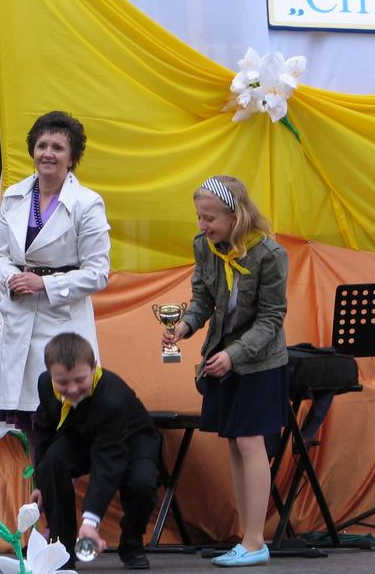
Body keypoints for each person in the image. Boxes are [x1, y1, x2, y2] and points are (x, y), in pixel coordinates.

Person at [162, 175, 288, 567]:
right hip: (223, 358)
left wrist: (235, 355)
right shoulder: (204, 246)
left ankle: (255, 541)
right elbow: (203, 298)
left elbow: (271, 318)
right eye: (199, 217)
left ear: (236, 216)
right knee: (234, 442)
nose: (202, 225)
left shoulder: (270, 254)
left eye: (210, 218)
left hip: (259, 361)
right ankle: (246, 536)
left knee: (250, 441)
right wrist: (185, 326)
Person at [0, 111, 111, 436]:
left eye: (58, 147)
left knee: (64, 422)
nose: (48, 153)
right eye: (42, 145)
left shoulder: (87, 204)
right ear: (33, 151)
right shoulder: (13, 197)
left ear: (72, 158)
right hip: (20, 319)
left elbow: (98, 273)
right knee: (29, 426)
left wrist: (44, 283)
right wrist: (10, 278)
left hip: (63, 325)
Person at [30, 332, 160, 570]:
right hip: (81, 435)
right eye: (63, 382)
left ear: (94, 367)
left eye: (80, 380)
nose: (72, 388)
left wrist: (91, 521)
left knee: (141, 484)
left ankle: (131, 543)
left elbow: (107, 462)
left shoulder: (112, 399)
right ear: (50, 374)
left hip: (131, 439)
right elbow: (44, 432)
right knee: (51, 463)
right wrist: (41, 483)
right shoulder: (45, 384)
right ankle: (62, 552)